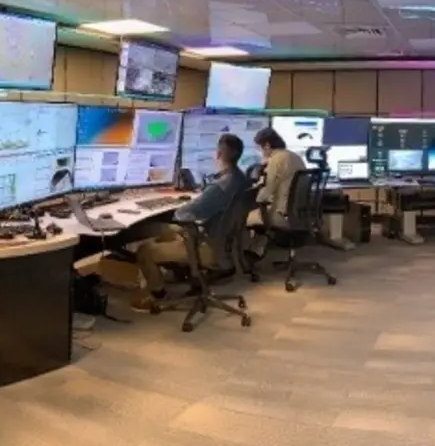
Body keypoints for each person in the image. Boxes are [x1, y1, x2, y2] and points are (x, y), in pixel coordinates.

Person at [130, 134, 248, 312]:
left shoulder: (219, 187)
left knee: (145, 250)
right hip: (224, 244)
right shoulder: (240, 179)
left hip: (208, 247)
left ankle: (158, 297)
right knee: (167, 235)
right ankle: (186, 277)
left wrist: (175, 207)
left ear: (219, 153)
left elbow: (183, 215)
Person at [245, 127, 307, 259]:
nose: (261, 153)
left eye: (260, 148)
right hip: (299, 213)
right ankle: (257, 250)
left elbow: (266, 191)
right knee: (261, 211)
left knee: (243, 216)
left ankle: (245, 255)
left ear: (267, 145)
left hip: (282, 215)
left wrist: (250, 196)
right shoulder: (295, 157)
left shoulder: (276, 159)